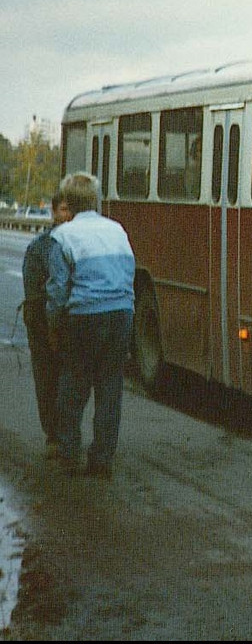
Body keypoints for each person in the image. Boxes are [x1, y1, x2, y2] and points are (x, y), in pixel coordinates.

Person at [46, 172, 136, 478]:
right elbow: (129, 273)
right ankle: (102, 460)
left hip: (85, 316)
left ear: (68, 203)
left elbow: (58, 290)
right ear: (95, 200)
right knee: (110, 389)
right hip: (121, 313)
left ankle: (69, 453)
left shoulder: (63, 236)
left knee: (73, 386)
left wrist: (53, 324)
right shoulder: (117, 230)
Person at [21, 192, 73, 453]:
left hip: (67, 319)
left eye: (70, 210)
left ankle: (63, 433)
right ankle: (52, 434)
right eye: (62, 210)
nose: (66, 215)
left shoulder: (74, 241)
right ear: (53, 212)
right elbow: (32, 288)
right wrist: (41, 321)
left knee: (66, 379)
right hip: (43, 319)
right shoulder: (39, 246)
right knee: (45, 379)